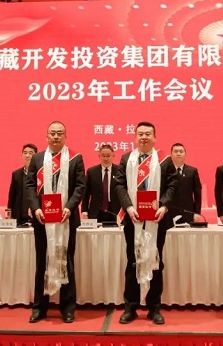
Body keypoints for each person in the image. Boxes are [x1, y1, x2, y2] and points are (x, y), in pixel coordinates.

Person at [115, 121, 177, 325]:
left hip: (157, 219)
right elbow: (120, 186)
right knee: (132, 261)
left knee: (155, 261)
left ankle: (154, 308)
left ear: (154, 137)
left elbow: (172, 186)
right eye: (140, 134)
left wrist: (164, 206)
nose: (144, 137)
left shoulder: (164, 161)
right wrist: (128, 207)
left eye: (148, 134)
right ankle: (130, 307)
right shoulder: (126, 159)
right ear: (135, 137)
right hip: (132, 219)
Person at [26, 121, 85, 324]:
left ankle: (67, 308)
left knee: (66, 262)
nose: (56, 136)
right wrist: (36, 208)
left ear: (65, 136)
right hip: (42, 219)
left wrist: (69, 207)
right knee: (42, 262)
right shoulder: (37, 158)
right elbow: (30, 186)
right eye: (52, 133)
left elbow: (80, 186)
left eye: (60, 133)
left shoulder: (75, 158)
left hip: (66, 218)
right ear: (47, 136)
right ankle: (39, 307)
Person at [82, 144, 120, 222]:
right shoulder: (91, 172)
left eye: (108, 156)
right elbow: (86, 193)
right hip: (96, 211)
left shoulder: (120, 171)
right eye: (103, 156)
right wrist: (84, 212)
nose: (106, 159)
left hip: (116, 211)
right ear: (99, 156)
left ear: (113, 156)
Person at [168, 143, 202, 223]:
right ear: (171, 154)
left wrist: (197, 212)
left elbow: (197, 194)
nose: (178, 153)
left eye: (181, 151)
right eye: (176, 151)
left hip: (188, 212)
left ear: (185, 154)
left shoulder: (192, 171)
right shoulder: (166, 171)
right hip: (169, 213)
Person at [7, 143, 37, 224]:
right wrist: (9, 214)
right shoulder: (16, 174)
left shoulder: (40, 173)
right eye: (25, 153)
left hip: (36, 216)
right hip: (19, 217)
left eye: (31, 153)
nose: (27, 155)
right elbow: (12, 196)